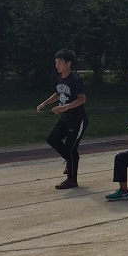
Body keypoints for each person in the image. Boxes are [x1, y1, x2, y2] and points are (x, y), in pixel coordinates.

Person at [37, 49, 88, 189]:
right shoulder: (59, 79)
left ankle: (72, 179)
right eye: (56, 63)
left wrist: (65, 107)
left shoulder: (75, 80)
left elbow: (82, 99)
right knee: (52, 139)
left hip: (77, 119)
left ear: (68, 64)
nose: (57, 65)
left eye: (60, 62)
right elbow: (57, 94)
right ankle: (70, 160)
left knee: (70, 148)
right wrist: (44, 103)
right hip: (65, 119)